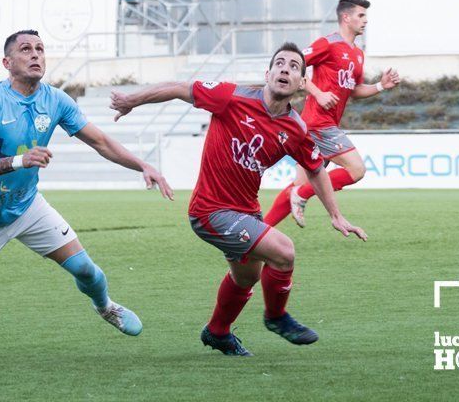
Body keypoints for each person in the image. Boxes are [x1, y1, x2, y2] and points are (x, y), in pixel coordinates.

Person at [109, 42, 366, 356]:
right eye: (280, 63)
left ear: (301, 84)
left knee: (246, 277)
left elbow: (315, 169)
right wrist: (131, 101)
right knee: (284, 252)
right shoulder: (231, 97)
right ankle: (276, 317)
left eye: (294, 66)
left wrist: (336, 215)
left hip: (246, 211)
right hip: (210, 210)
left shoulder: (295, 128)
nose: (285, 68)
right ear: (267, 73)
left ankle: (217, 332)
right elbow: (180, 87)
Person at [0, 30, 174, 364]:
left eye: (40, 49)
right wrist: (20, 160)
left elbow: (101, 142)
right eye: (25, 50)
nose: (35, 55)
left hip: (26, 206)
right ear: (7, 63)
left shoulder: (56, 100)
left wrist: (143, 166)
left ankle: (106, 307)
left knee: (87, 270)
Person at [263, 0, 401, 228]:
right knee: (356, 169)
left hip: (320, 125)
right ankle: (305, 195)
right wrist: (317, 93)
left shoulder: (357, 54)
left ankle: (254, 242)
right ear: (346, 17)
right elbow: (293, 66)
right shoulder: (327, 44)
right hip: (319, 124)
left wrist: (380, 86)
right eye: (361, 15)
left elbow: (354, 89)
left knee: (295, 188)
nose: (365, 21)